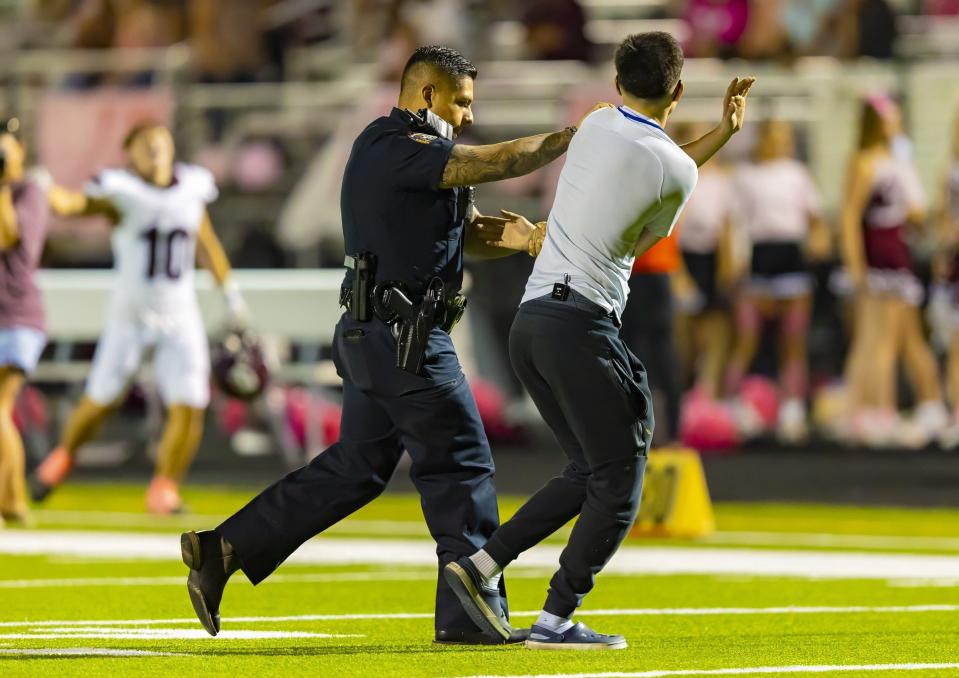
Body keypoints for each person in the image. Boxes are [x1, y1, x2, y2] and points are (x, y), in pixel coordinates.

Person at [179, 45, 597, 645]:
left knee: (357, 468)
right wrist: (568, 139)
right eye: (462, 102)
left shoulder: (409, 153)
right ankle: (470, 616)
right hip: (407, 339)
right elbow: (493, 161)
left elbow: (458, 232)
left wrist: (518, 239)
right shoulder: (394, 143)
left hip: (379, 335)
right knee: (461, 466)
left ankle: (225, 549)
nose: (469, 116)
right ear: (425, 94)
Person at [443, 32, 753, 650]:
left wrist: (720, 132)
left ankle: (481, 567)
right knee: (623, 474)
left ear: (616, 85)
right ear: (679, 90)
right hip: (581, 323)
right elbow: (645, 231)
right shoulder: (679, 171)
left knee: (588, 468)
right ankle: (556, 619)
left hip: (531, 322)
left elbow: (652, 155)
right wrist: (720, 133)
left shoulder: (593, 124)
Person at [29, 122, 248, 514]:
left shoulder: (192, 187)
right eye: (143, 144)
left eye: (159, 140)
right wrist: (46, 189)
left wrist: (231, 297)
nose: (154, 149)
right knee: (100, 402)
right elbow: (75, 205)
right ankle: (61, 458)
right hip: (130, 317)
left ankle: (164, 487)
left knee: (190, 402)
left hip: (180, 315)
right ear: (128, 153)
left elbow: (207, 244)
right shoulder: (120, 192)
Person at [839, 94, 944, 447]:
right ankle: (876, 410)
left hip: (898, 252)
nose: (896, 123)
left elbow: (912, 211)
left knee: (909, 337)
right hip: (880, 256)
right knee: (879, 340)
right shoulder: (865, 162)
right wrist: (855, 266)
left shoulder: (896, 160)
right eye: (891, 118)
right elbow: (850, 217)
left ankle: (930, 405)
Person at [723, 120, 829, 443]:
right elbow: (733, 222)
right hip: (759, 259)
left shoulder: (797, 174)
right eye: (774, 138)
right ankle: (733, 406)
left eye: (785, 138)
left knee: (792, 342)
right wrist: (732, 264)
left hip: (791, 258)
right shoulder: (746, 176)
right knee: (746, 338)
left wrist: (819, 241)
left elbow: (815, 218)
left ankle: (792, 409)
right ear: (762, 141)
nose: (780, 144)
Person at [0, 118, 50, 527]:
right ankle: (11, 500)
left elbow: (8, 237)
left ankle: (12, 498)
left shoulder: (30, 191)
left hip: (17, 316)